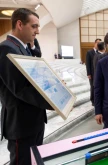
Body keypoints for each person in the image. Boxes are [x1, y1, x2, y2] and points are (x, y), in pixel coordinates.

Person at [0, 8, 54, 165]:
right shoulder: (6, 49)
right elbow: (21, 88)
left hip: (33, 120)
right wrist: (53, 101)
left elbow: (35, 74)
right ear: (19, 24)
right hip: (21, 124)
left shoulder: (22, 47)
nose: (38, 31)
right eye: (34, 26)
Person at [86, 38, 101, 106]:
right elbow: (87, 63)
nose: (98, 44)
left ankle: (97, 100)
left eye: (100, 43)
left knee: (97, 87)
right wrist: (88, 73)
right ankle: (92, 100)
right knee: (92, 87)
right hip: (92, 73)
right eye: (97, 43)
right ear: (94, 43)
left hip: (98, 73)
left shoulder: (99, 52)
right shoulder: (89, 52)